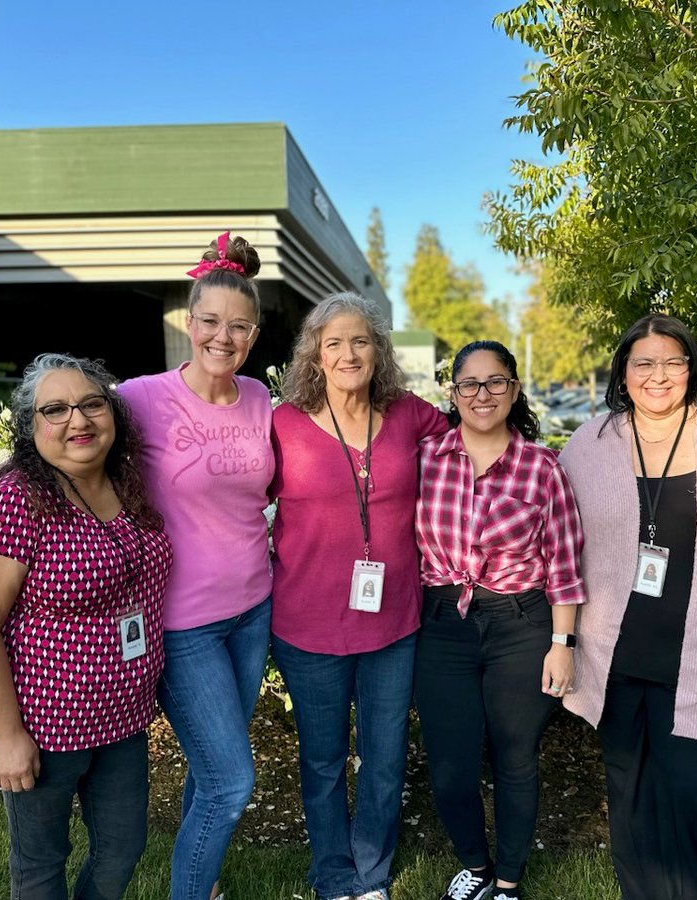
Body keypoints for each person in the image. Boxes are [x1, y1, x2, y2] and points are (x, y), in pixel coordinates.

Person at [0, 233, 275, 900]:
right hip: (184, 624)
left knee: (209, 770)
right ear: (189, 323)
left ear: (254, 334)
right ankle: (193, 889)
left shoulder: (258, 399)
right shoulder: (143, 396)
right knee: (231, 779)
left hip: (250, 611)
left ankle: (203, 874)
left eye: (240, 326)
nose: (223, 337)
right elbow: (64, 425)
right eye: (210, 321)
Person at [557, 313, 697, 900]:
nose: (658, 375)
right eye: (644, 363)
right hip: (617, 658)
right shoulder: (592, 442)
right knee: (630, 800)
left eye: (672, 362)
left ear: (691, 367)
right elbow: (552, 529)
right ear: (623, 372)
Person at [0, 353, 173, 899]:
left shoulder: (128, 481)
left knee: (122, 850)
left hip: (123, 719)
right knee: (41, 864)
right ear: (31, 429)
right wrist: (7, 737)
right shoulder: (13, 502)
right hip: (46, 725)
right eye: (55, 410)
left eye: (92, 404)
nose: (78, 419)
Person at [268, 292, 448, 900]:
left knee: (385, 757)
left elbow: (477, 442)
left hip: (393, 624)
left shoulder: (408, 414)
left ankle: (370, 873)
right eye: (334, 342)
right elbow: (227, 490)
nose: (349, 353)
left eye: (361, 341)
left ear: (379, 351)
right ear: (315, 355)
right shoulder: (282, 425)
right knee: (322, 761)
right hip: (307, 626)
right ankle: (332, 873)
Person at [414, 341, 585, 900]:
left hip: (521, 625)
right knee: (450, 765)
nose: (481, 394)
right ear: (453, 392)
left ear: (514, 390)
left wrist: (562, 643)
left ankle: (508, 881)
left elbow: (564, 563)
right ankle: (475, 865)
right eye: (469, 383)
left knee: (515, 758)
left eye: (495, 382)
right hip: (443, 623)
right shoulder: (426, 458)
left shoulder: (542, 467)